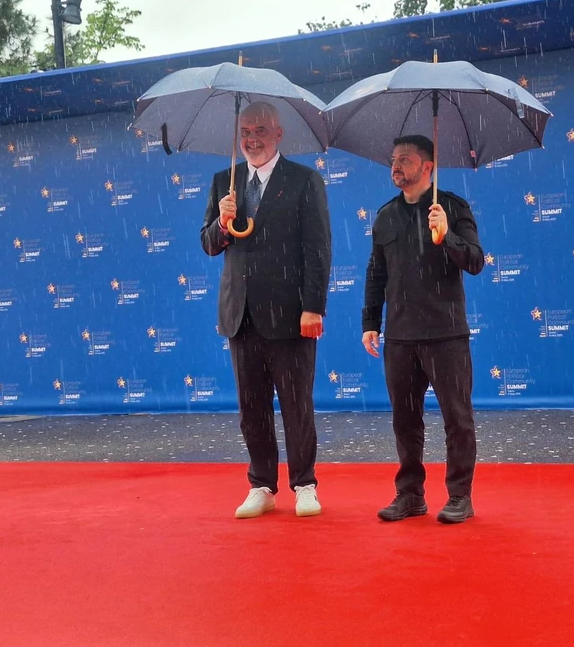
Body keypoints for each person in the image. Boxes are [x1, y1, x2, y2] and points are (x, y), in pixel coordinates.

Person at [201, 101, 331, 519]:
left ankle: (305, 484)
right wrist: (221, 224)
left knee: (296, 406)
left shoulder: (304, 180)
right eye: (245, 131)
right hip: (240, 315)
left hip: (291, 315)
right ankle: (261, 485)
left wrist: (312, 307)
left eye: (260, 130)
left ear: (278, 133)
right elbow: (208, 244)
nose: (252, 139)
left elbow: (317, 249)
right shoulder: (224, 181)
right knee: (251, 408)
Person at [361, 135, 485, 524]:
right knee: (405, 420)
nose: (396, 166)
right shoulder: (385, 216)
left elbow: (476, 261)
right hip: (400, 336)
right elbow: (376, 274)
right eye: (393, 159)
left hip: (446, 333)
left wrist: (447, 236)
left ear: (427, 166)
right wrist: (370, 323)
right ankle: (410, 494)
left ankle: (460, 496)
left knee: (457, 419)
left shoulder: (452, 207)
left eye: (405, 159)